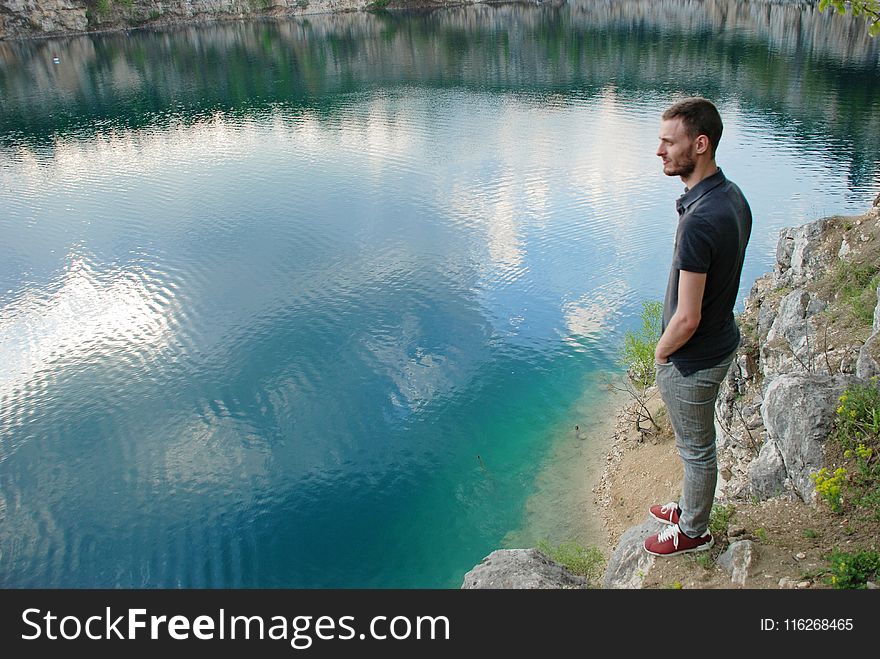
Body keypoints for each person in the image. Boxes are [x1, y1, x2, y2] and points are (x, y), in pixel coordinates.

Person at [643, 97, 752, 557]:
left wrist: (662, 352)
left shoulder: (699, 221)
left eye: (669, 142)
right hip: (719, 341)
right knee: (696, 446)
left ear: (700, 144)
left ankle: (694, 531)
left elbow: (687, 317)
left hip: (693, 359)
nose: (660, 151)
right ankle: (690, 506)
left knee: (697, 450)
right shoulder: (730, 196)